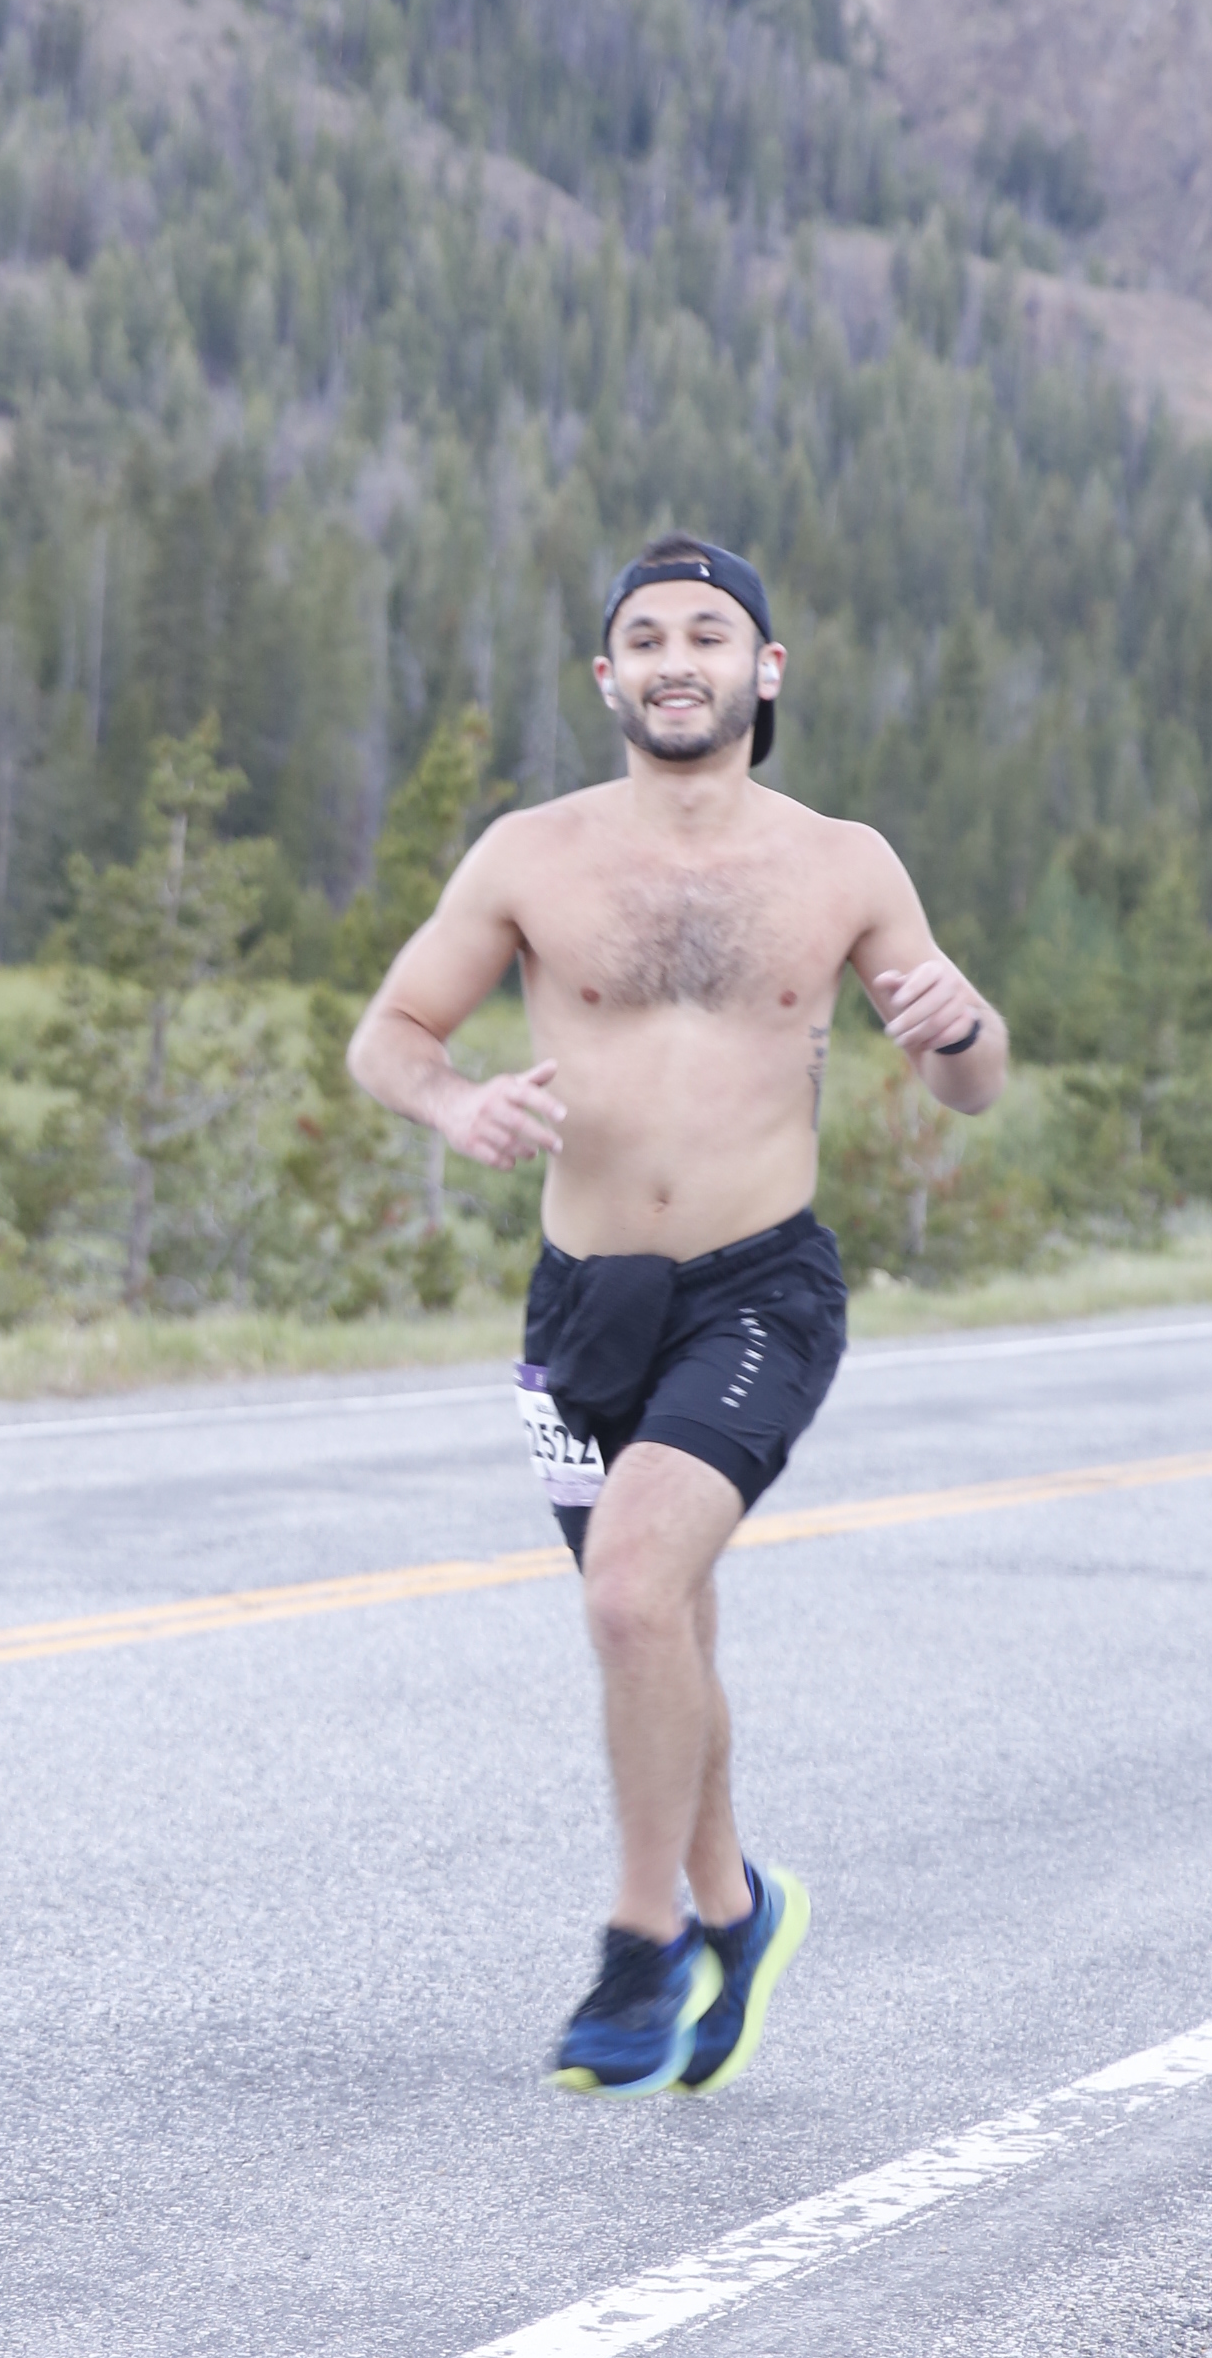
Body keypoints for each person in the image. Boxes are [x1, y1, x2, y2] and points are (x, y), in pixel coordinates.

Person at [347, 533, 1006, 2097]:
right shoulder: (533, 856)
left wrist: (962, 1025)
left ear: (764, 669)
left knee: (632, 1593)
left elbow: (969, 1085)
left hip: (757, 1288)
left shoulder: (844, 864)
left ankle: (638, 1952)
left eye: (708, 634)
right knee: (668, 1625)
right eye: (645, 638)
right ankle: (734, 1906)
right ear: (608, 677)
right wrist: (454, 1105)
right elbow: (391, 1034)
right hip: (583, 1304)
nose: (675, 661)